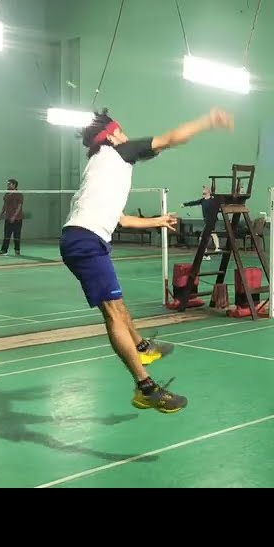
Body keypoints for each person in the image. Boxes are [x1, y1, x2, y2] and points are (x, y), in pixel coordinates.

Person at [61, 107, 234, 414]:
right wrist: (208, 121)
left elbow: (122, 220)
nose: (126, 134)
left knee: (118, 306)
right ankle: (146, 388)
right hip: (86, 241)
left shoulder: (98, 167)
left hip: (84, 239)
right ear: (113, 135)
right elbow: (169, 139)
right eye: (122, 130)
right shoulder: (119, 151)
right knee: (113, 314)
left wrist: (156, 221)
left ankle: (142, 346)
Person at [0, 179, 24, 257]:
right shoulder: (7, 194)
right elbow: (4, 205)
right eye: (7, 184)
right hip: (8, 218)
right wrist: (0, 215)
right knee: (6, 235)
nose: (8, 185)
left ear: (14, 185)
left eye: (9, 184)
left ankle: (17, 250)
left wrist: (14, 216)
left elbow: (19, 206)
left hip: (17, 219)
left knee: (17, 236)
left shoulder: (19, 194)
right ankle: (4, 250)